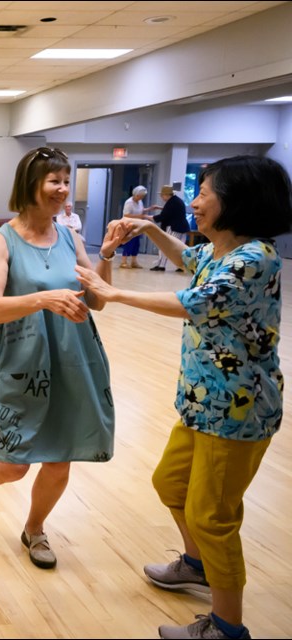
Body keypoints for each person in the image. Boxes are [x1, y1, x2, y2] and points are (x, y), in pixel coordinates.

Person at [75, 155, 292, 640]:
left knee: (212, 517)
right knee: (172, 486)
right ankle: (197, 565)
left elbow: (190, 303)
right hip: (201, 403)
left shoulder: (253, 258)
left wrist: (112, 293)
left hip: (237, 410)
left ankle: (226, 627)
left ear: (236, 202)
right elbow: (186, 259)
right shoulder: (218, 250)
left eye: (205, 192)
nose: (194, 200)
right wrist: (147, 230)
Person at [0, 147, 122, 570]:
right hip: (21, 360)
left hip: (73, 357)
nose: (63, 190)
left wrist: (106, 258)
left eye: (66, 181)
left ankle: (35, 528)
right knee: (14, 463)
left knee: (60, 456)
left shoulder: (70, 237)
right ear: (30, 184)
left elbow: (97, 301)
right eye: (55, 181)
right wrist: (44, 298)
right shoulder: (1, 240)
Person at [150, 185, 190, 272]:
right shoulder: (176, 201)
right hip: (182, 227)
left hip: (174, 227)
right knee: (181, 248)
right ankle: (181, 266)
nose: (161, 197)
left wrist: (148, 217)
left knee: (165, 246)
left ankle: (161, 265)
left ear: (167, 195)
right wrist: (159, 207)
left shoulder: (172, 202)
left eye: (162, 195)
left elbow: (163, 216)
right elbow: (171, 210)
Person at [118, 185, 151, 269]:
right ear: (136, 195)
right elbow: (126, 214)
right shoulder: (129, 202)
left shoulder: (140, 202)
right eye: (141, 196)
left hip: (137, 225)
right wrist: (141, 216)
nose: (142, 197)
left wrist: (150, 209)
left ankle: (134, 262)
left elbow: (141, 210)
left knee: (136, 244)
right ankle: (124, 261)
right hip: (128, 225)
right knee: (129, 243)